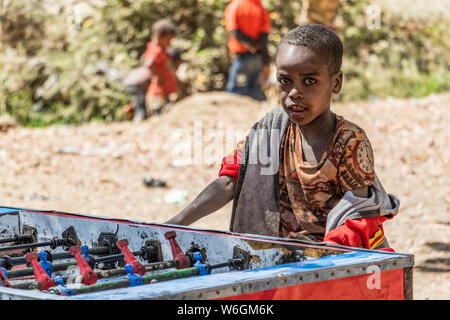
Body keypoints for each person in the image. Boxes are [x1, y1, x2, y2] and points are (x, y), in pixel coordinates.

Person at [166, 25, 399, 251]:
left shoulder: (349, 142)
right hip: (288, 255)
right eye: (285, 80)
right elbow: (231, 180)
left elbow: (360, 214)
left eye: (309, 81)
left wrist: (324, 252)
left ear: (335, 82)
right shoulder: (272, 130)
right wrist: (175, 223)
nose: (295, 92)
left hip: (341, 259)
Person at [224, 0, 271, 101]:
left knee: (235, 93)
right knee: (254, 94)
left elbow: (235, 31)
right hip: (257, 57)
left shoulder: (234, 6)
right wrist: (264, 57)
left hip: (241, 57)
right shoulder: (261, 8)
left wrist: (250, 45)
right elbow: (264, 34)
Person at [141, 19, 177, 117]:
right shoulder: (156, 50)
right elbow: (149, 63)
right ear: (159, 37)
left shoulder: (162, 50)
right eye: (169, 39)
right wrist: (157, 76)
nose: (170, 42)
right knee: (159, 116)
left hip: (164, 92)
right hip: (158, 93)